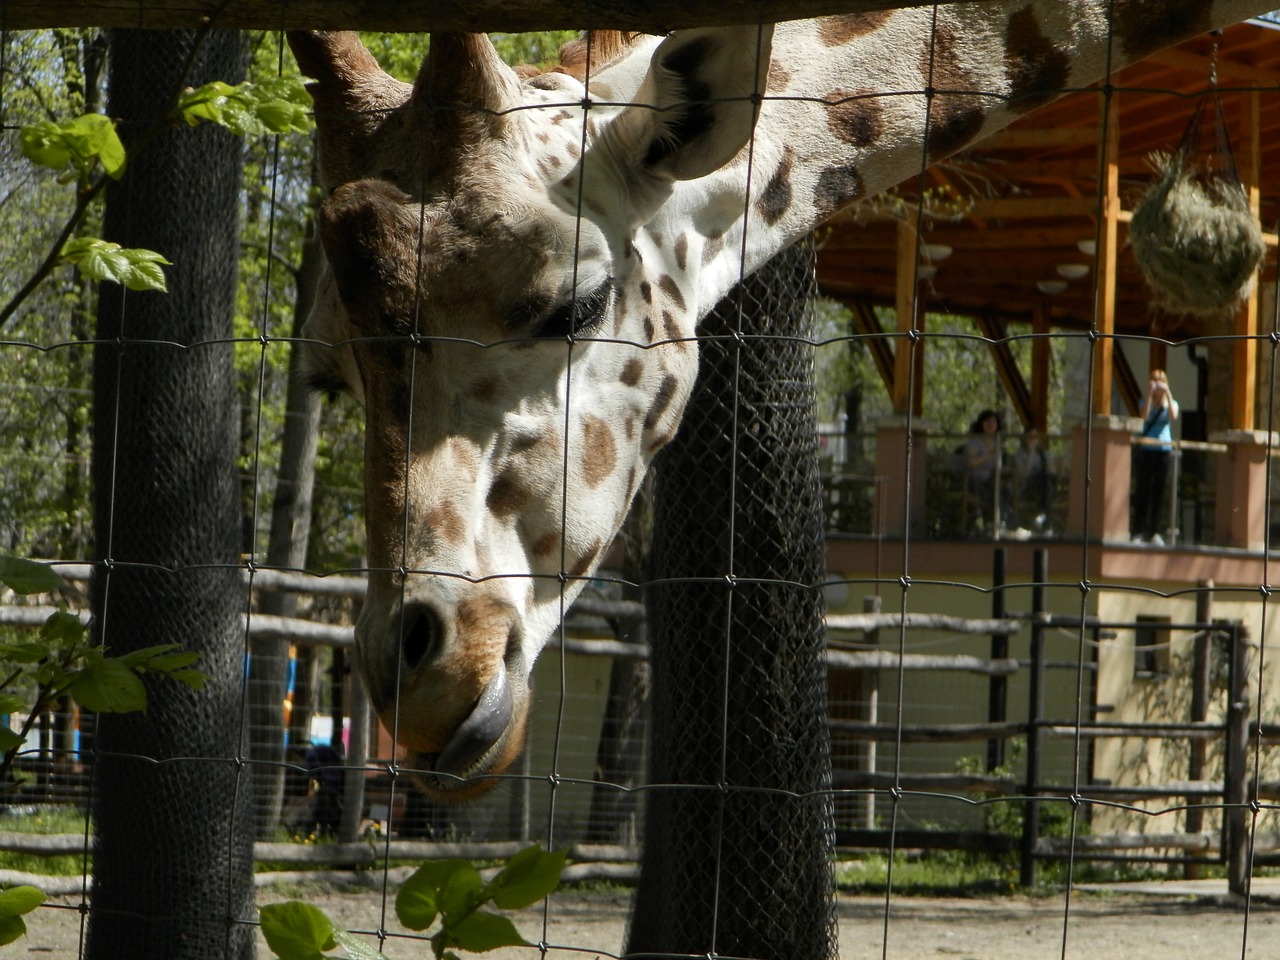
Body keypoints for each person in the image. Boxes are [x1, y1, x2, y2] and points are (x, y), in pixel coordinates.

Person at [1132, 369, 1179, 545]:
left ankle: (1154, 532)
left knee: (1159, 492)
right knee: (1143, 490)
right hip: (1147, 450)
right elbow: (1143, 416)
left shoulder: (1171, 404)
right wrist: (1150, 393)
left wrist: (1166, 391)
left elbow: (1173, 416)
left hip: (1163, 451)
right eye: (1154, 380)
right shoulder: (1145, 402)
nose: (1157, 384)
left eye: (1160, 381)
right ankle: (1138, 531)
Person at [964, 409, 1003, 533]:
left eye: (993, 421)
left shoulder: (997, 442)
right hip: (976, 480)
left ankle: (1003, 525)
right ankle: (987, 525)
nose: (991, 424)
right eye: (987, 421)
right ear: (981, 423)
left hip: (994, 480)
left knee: (1005, 491)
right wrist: (990, 455)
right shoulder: (974, 441)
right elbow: (971, 462)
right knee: (989, 495)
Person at [1012, 428, 1052, 532]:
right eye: (1030, 437)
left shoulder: (1044, 454)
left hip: (1043, 486)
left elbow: (1052, 472)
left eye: (1035, 437)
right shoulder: (1020, 454)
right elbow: (1022, 474)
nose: (1033, 440)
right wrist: (1031, 453)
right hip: (1025, 486)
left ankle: (1044, 516)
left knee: (1046, 481)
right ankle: (1041, 515)